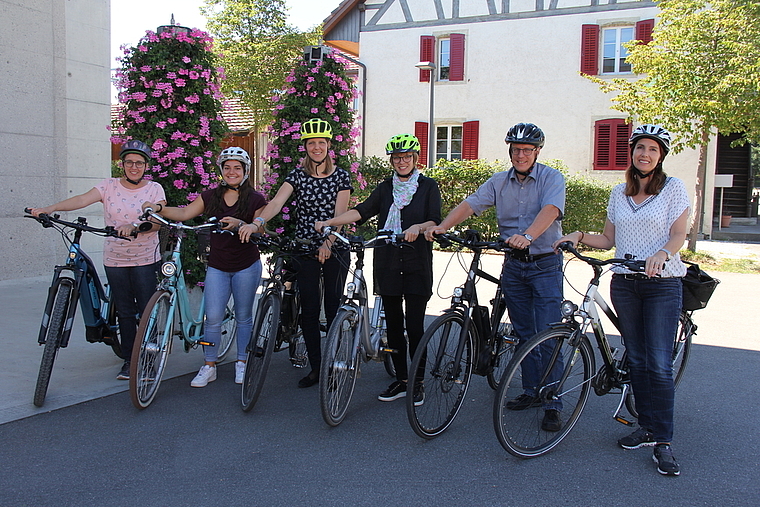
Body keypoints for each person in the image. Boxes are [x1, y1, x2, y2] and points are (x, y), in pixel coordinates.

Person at [554, 124, 689, 476]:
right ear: (632, 153)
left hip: (662, 283)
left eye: (653, 150)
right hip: (626, 284)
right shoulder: (619, 193)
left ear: (661, 157)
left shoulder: (673, 189)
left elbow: (679, 234)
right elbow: (609, 239)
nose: (645, 154)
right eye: (640, 148)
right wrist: (579, 235)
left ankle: (663, 441)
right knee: (639, 361)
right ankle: (645, 426)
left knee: (659, 364)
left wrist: (661, 253)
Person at [425, 122, 566, 432]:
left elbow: (552, 210)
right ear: (510, 152)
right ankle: (531, 391)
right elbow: (471, 204)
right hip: (514, 265)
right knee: (524, 331)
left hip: (544, 263)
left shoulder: (551, 178)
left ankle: (552, 401)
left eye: (527, 150)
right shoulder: (499, 182)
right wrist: (443, 227)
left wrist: (528, 235)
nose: (521, 155)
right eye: (516, 150)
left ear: (537, 152)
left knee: (546, 333)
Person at [315, 134, 441, 405]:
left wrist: (418, 228)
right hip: (388, 261)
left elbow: (435, 220)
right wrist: (330, 221)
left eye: (407, 157)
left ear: (415, 159)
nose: (402, 161)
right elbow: (362, 211)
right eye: (397, 158)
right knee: (394, 325)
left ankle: (418, 381)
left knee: (415, 325)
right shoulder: (385, 188)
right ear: (392, 161)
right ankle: (402, 379)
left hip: (417, 261)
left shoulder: (428, 186)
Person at [30, 140, 166, 380]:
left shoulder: (154, 189)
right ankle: (129, 360)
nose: (134, 167)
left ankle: (149, 356)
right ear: (122, 165)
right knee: (124, 311)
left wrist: (134, 226)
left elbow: (156, 221)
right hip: (115, 258)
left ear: (146, 166)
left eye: (139, 163)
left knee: (147, 310)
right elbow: (81, 200)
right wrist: (48, 209)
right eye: (129, 162)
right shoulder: (109, 186)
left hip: (145, 258)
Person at [239, 119, 352, 388]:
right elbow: (277, 202)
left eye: (321, 143)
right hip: (304, 248)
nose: (316, 147)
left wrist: (328, 243)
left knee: (334, 308)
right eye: (311, 143)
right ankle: (316, 368)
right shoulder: (297, 175)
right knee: (309, 311)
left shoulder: (341, 176)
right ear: (305, 147)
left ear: (328, 146)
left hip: (333, 246)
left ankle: (333, 367)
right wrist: (257, 223)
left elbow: (340, 215)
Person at [142, 147, 266, 387]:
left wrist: (242, 223)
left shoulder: (255, 199)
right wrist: (157, 208)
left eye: (237, 168)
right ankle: (209, 364)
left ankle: (242, 361)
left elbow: (260, 227)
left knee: (243, 317)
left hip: (246, 265)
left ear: (245, 171)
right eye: (227, 167)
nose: (232, 172)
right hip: (218, 266)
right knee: (213, 319)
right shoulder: (211, 196)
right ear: (221, 170)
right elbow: (185, 212)